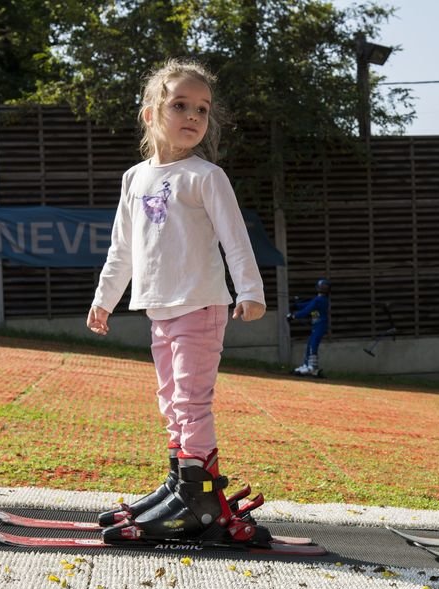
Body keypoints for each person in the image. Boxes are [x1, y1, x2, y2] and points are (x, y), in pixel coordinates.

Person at [86, 58, 267, 544]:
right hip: (160, 309)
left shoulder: (206, 176)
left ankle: (201, 498)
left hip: (200, 306)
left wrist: (250, 291)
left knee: (191, 401)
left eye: (202, 109)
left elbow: (235, 239)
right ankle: (181, 486)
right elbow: (122, 247)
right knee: (171, 402)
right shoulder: (134, 178)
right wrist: (105, 298)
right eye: (180, 105)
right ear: (150, 114)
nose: (193, 116)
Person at [286, 278, 330, 376]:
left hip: (320, 326)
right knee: (310, 344)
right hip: (317, 326)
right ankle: (307, 365)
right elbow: (308, 304)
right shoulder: (320, 299)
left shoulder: (319, 300)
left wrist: (293, 316)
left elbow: (307, 310)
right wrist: (297, 305)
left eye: (324, 287)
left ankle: (312, 367)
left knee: (313, 345)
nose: (323, 288)